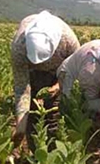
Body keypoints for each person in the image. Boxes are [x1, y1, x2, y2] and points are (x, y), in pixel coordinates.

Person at [10, 10, 80, 153]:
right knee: (33, 118)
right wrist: (20, 126)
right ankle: (37, 155)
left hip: (60, 71)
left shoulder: (69, 40)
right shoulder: (19, 46)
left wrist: (59, 85)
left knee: (56, 115)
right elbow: (22, 88)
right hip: (33, 75)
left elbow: (75, 72)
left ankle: (56, 153)